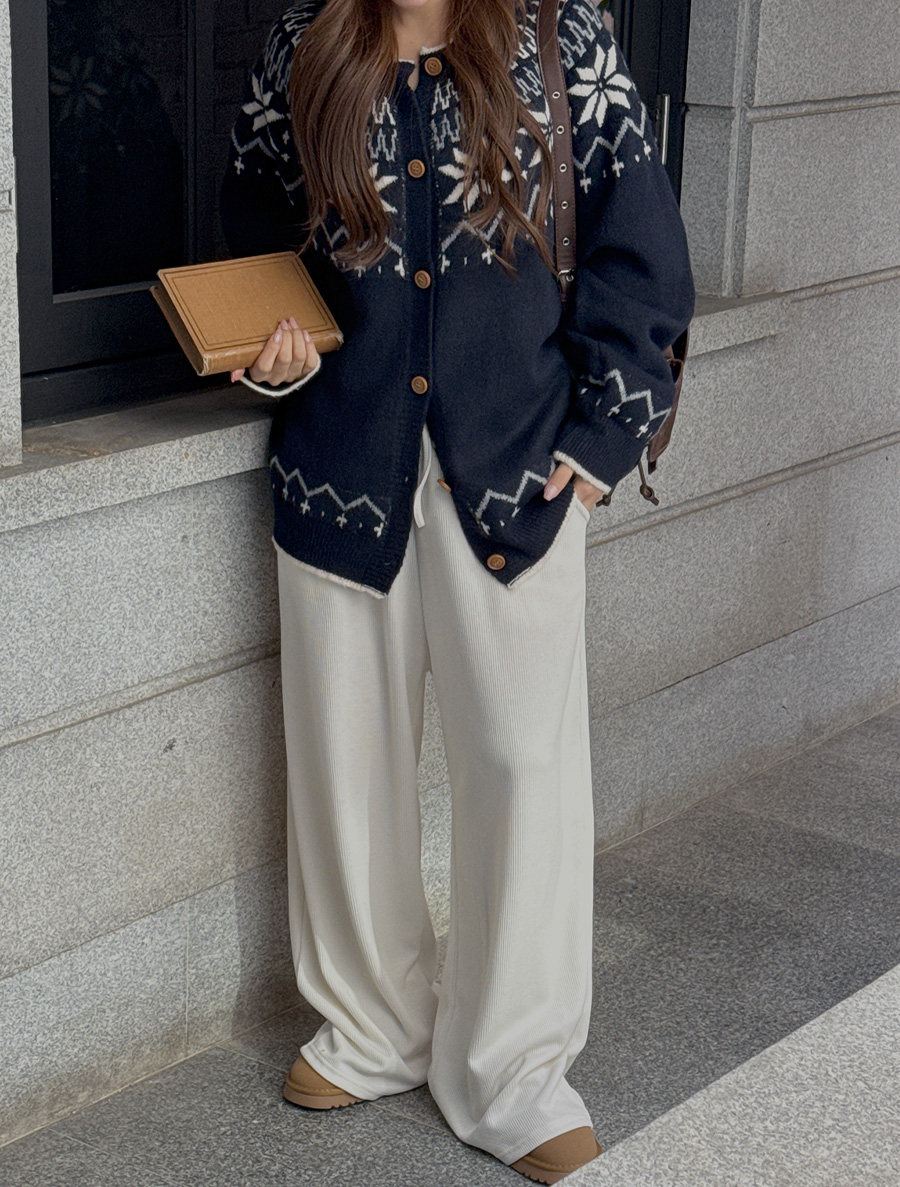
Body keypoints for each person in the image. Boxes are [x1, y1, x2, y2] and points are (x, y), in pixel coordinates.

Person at [219, 0, 694, 1181]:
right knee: (347, 762)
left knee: (523, 767)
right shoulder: (304, 45)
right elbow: (254, 238)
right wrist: (270, 342)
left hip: (521, 467)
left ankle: (512, 1067)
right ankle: (372, 1023)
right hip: (341, 464)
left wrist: (605, 430)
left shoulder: (560, 38)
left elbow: (640, 240)